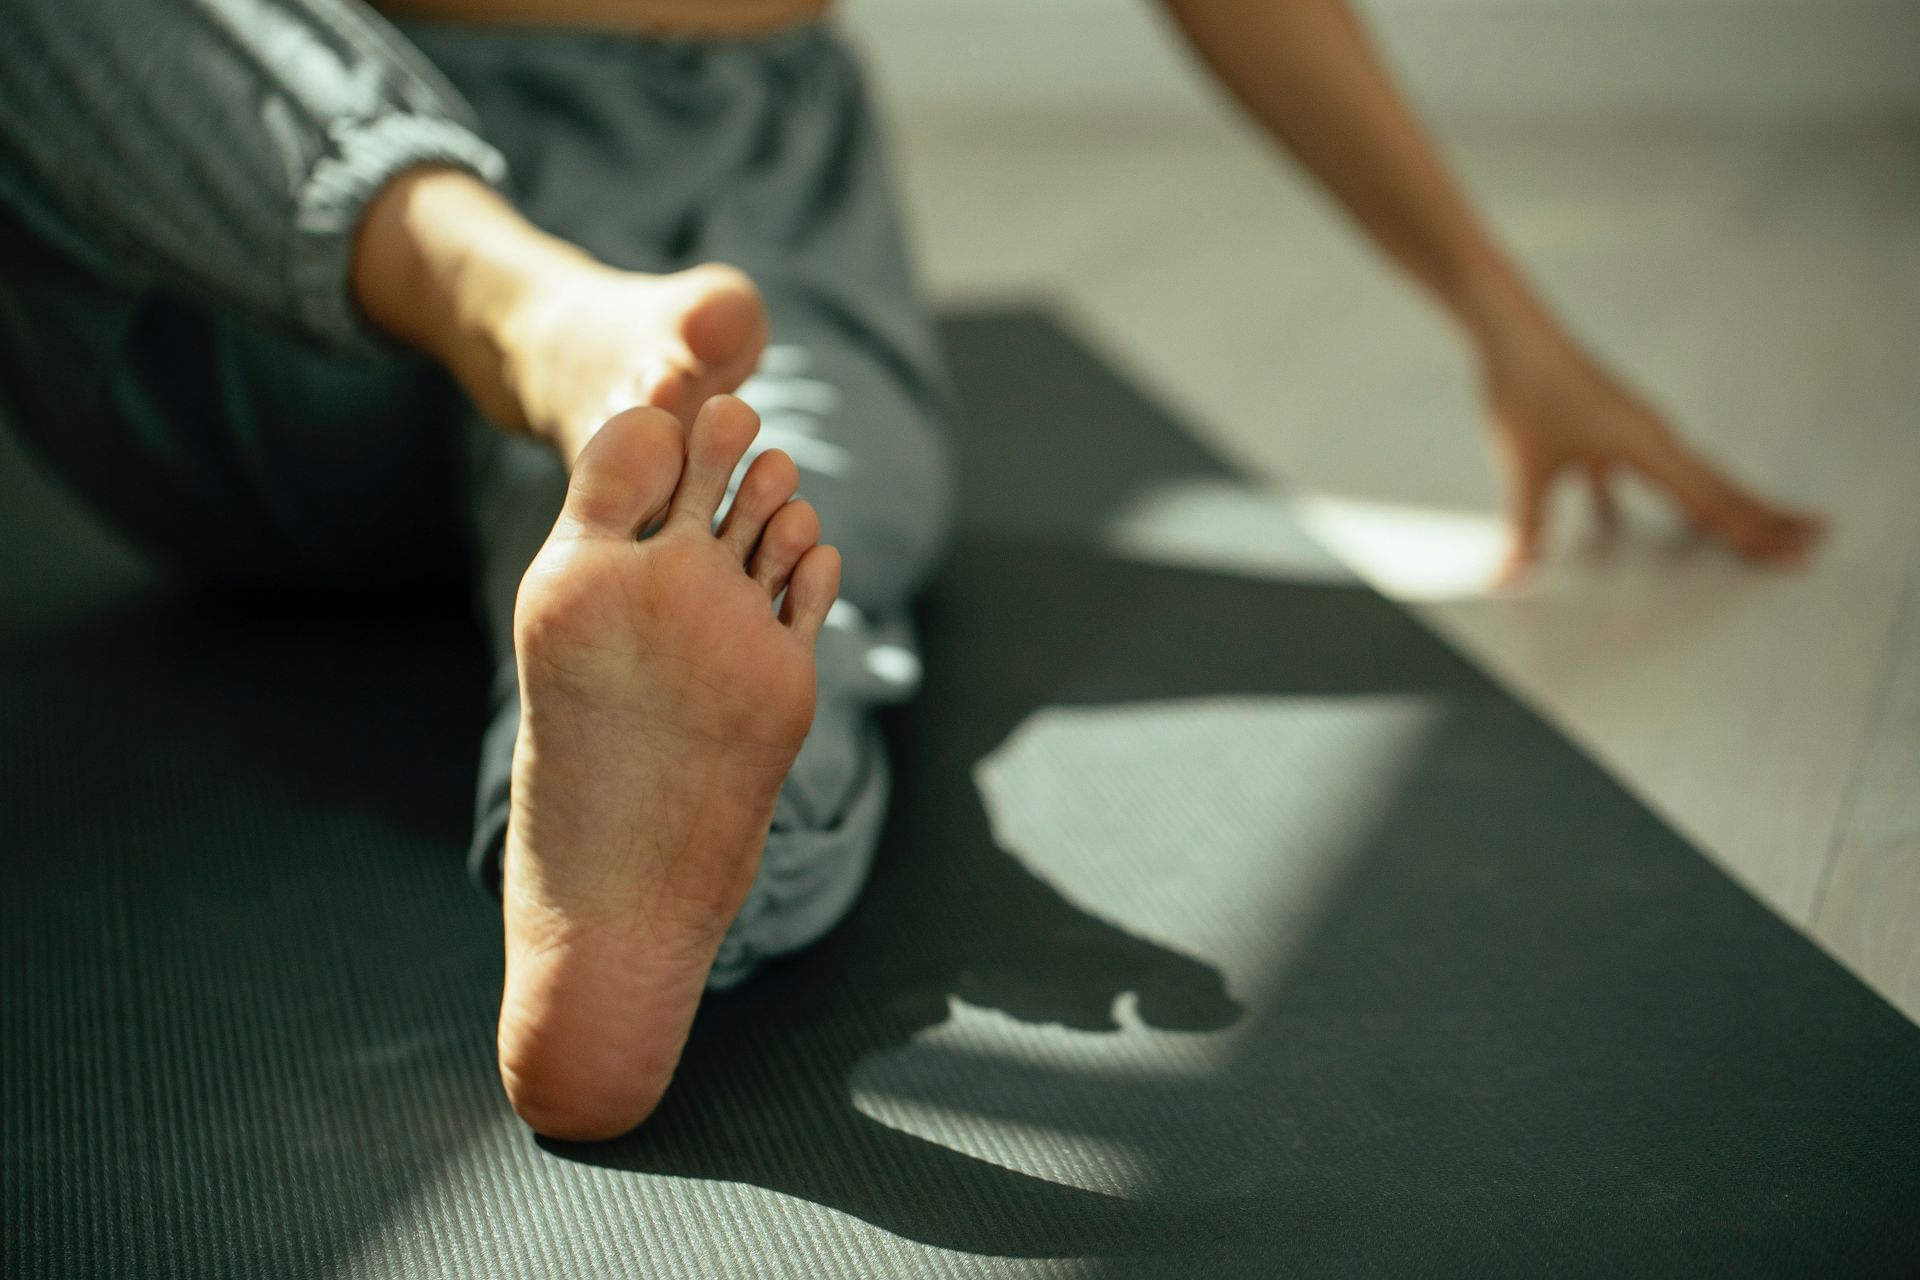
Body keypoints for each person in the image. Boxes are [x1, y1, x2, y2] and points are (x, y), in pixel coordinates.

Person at [0, 0, 1822, 1142]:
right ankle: (523, 315)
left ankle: (655, 855)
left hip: (681, 225)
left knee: (761, 521)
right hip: (237, 228)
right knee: (759, 471)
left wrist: (1509, 323)